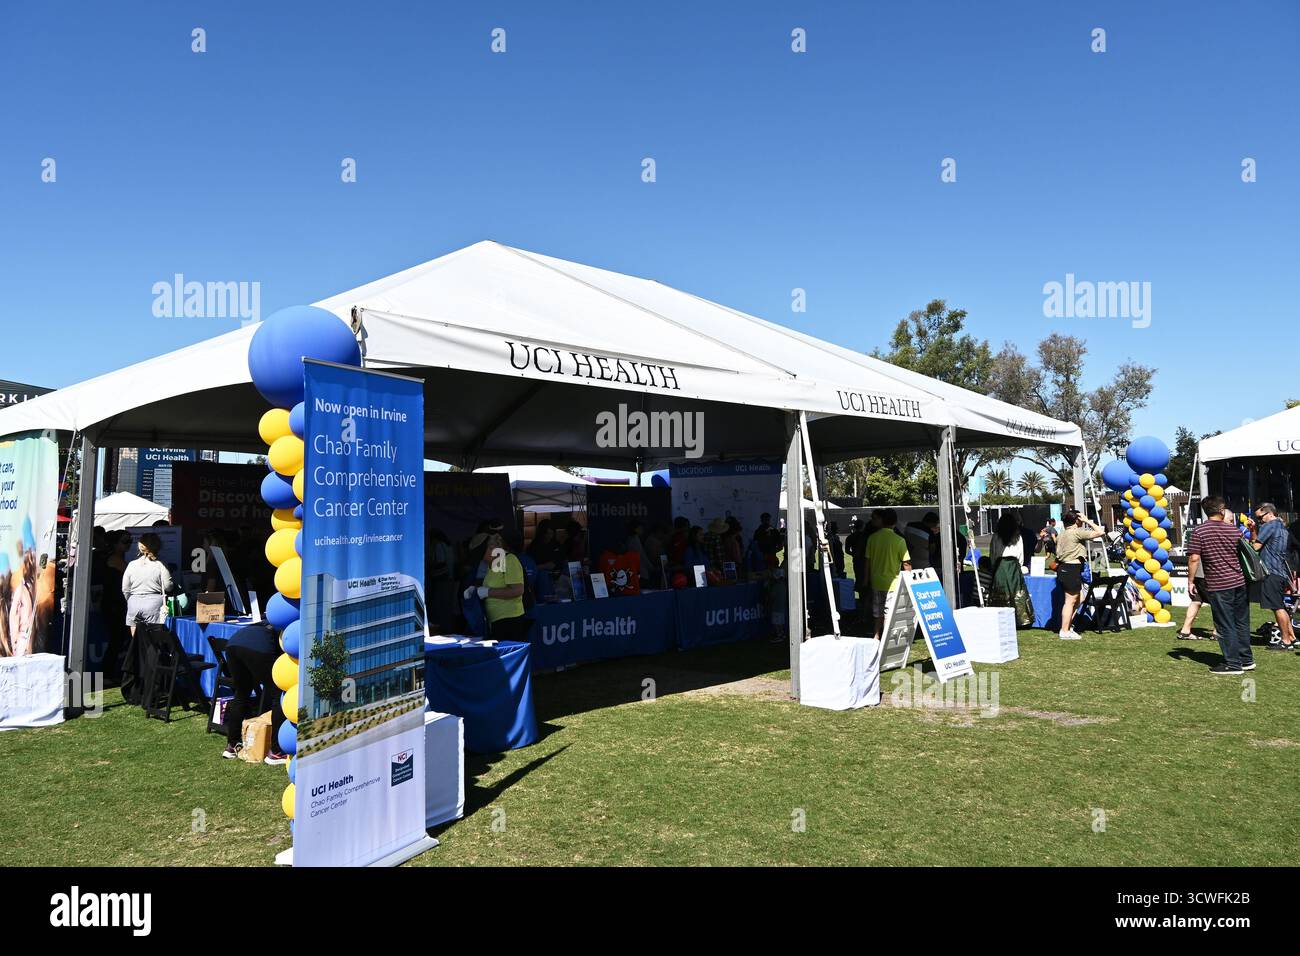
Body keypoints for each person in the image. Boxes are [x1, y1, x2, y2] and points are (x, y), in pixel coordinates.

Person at [1186, 495, 1253, 674]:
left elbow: (1194, 558)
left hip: (1219, 583)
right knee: (1241, 621)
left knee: (1225, 624)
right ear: (1221, 510)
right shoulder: (1234, 530)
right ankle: (1246, 659)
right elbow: (1247, 551)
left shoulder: (1199, 531)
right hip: (1239, 581)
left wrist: (1190, 580)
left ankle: (1233, 664)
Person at [220, 623, 288, 763]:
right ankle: (276, 751)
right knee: (279, 693)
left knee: (241, 693)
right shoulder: (284, 629)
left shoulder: (267, 623)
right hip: (258, 647)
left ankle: (232, 745)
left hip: (232, 646)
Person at [465, 528, 532, 642]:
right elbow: (496, 585)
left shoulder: (510, 560)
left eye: (483, 555)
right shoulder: (492, 565)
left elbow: (517, 590)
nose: (482, 559)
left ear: (491, 549)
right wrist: (475, 590)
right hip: (497, 622)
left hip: (511, 622)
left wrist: (487, 592)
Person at [1247, 502, 1296, 652]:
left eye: (1260, 518)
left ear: (1268, 513)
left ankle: (1286, 641)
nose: (1260, 521)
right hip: (1281, 573)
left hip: (1272, 573)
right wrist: (1253, 530)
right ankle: (1292, 638)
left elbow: (1255, 547)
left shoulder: (1270, 525)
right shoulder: (1282, 526)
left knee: (1277, 607)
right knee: (1280, 606)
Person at [1055, 509, 1105, 640]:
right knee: (1070, 601)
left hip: (1064, 569)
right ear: (1077, 520)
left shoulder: (1061, 534)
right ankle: (1064, 631)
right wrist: (1087, 521)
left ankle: (1067, 626)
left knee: (1080, 598)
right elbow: (1101, 532)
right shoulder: (1076, 532)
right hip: (1071, 568)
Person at [863, 509, 911, 637]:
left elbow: (867, 561)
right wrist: (910, 580)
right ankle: (887, 637)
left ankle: (876, 635)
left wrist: (866, 580)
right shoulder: (899, 540)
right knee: (889, 613)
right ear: (895, 522)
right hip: (893, 584)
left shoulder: (872, 538)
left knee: (877, 612)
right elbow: (906, 563)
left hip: (876, 582)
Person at [121, 532, 173, 636]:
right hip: (154, 604)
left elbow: (125, 588)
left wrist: (131, 600)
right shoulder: (160, 565)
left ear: (140, 547)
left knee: (135, 639)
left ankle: (138, 652)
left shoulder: (132, 564)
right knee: (154, 639)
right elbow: (168, 587)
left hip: (134, 603)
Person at [989, 512, 1035, 627]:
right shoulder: (1018, 536)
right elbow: (1021, 554)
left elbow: (993, 553)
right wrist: (1018, 565)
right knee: (1017, 592)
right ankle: (1020, 619)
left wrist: (994, 565)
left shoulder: (996, 536)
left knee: (1000, 591)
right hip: (1013, 566)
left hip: (1000, 565)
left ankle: (1001, 618)